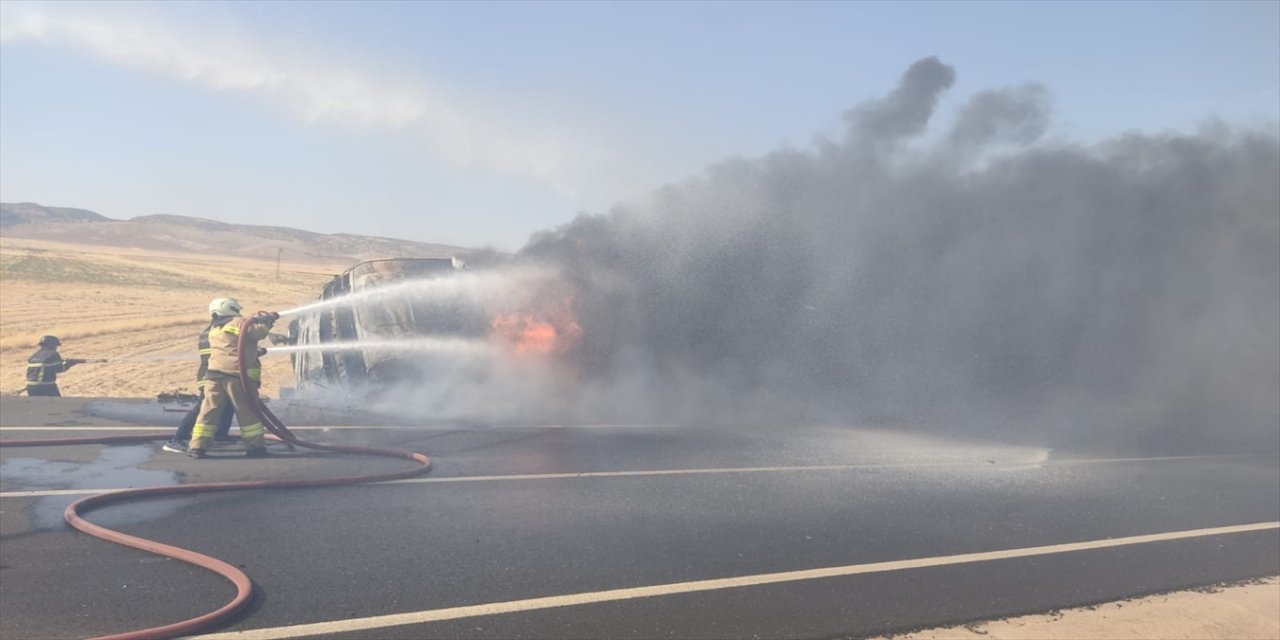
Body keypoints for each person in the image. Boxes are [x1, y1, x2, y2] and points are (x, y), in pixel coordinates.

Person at [188, 299, 278, 459]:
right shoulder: (239, 322)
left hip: (214, 376)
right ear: (231, 308)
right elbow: (258, 333)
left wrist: (255, 351)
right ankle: (255, 447)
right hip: (236, 376)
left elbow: (230, 348)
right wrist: (268, 321)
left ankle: (197, 446)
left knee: (208, 412)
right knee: (247, 412)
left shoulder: (215, 328)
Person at [162, 301, 238, 453]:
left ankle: (220, 435)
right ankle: (177, 439)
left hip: (218, 374)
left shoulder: (217, 330)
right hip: (209, 375)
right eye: (231, 316)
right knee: (202, 407)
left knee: (228, 405)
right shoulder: (214, 332)